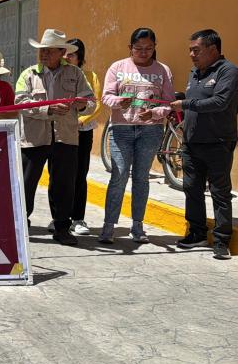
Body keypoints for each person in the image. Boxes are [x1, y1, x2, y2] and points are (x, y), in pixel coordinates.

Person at [15, 29, 94, 245]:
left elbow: (91, 101)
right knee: (26, 183)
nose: (43, 54)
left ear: (61, 52)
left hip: (65, 138)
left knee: (64, 184)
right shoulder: (28, 74)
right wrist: (48, 110)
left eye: (49, 51)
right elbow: (20, 103)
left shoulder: (76, 74)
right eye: (42, 50)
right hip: (33, 138)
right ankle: (20, 225)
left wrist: (82, 104)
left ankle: (62, 228)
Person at [98, 29, 175, 244]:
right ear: (130, 47)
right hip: (121, 129)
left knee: (141, 178)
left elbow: (168, 102)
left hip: (150, 130)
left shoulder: (163, 70)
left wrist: (155, 113)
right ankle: (108, 226)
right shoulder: (118, 67)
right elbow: (106, 96)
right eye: (138, 48)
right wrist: (117, 102)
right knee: (119, 174)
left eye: (148, 48)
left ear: (154, 47)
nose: (143, 52)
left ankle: (137, 226)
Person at [172, 29, 238, 259]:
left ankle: (221, 241)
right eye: (190, 49)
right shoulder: (195, 72)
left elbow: (220, 102)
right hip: (191, 142)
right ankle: (197, 232)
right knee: (192, 189)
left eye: (196, 50)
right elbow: (193, 100)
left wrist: (186, 104)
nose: (191, 54)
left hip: (218, 142)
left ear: (213, 49)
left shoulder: (228, 71)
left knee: (220, 192)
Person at [48, 39, 106, 236]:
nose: (66, 58)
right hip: (60, 131)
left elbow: (95, 103)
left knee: (79, 174)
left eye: (71, 54)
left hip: (81, 131)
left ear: (79, 57)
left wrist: (79, 121)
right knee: (57, 174)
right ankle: (57, 217)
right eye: (64, 54)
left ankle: (78, 218)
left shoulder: (90, 76)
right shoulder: (53, 74)